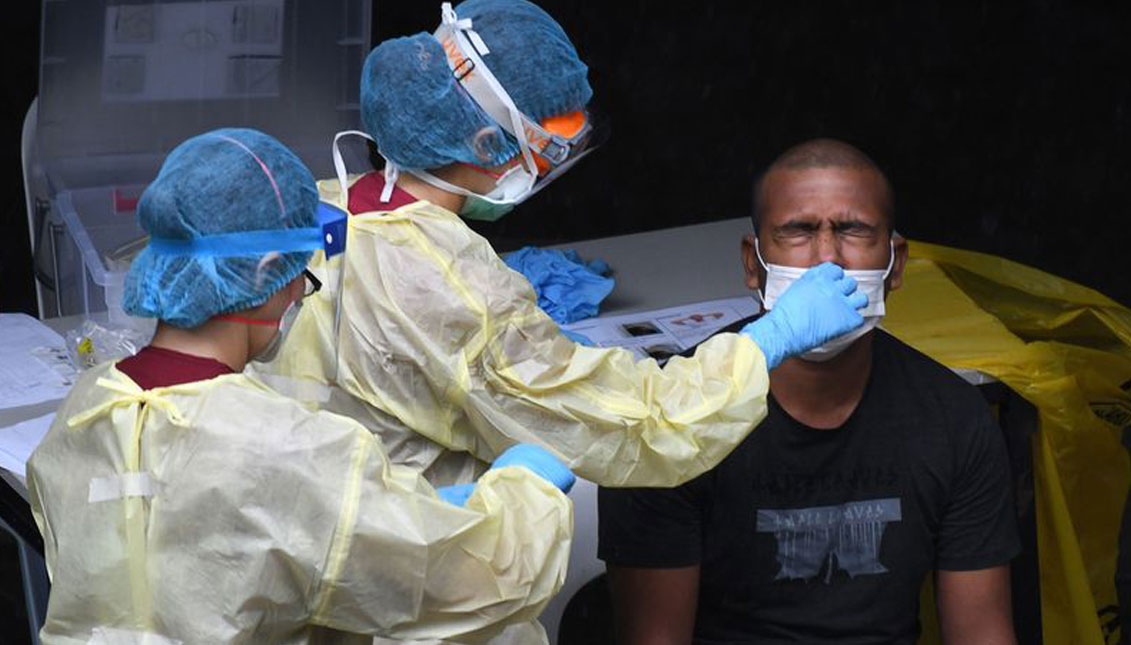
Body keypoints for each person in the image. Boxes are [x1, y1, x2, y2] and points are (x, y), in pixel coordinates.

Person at [255, 0, 869, 500]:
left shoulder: (322, 202)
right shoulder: (460, 294)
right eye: (551, 143)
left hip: (314, 513)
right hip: (410, 569)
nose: (553, 161)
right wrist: (768, 341)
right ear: (482, 139)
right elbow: (641, 426)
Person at [26, 128, 581, 644]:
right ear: (267, 274)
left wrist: (376, 509)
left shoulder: (85, 407)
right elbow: (472, 581)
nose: (299, 298)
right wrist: (522, 493)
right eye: (301, 278)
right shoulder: (291, 447)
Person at [598, 139, 1021, 644]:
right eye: (798, 231)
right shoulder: (669, 428)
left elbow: (982, 634)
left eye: (853, 230)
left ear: (896, 263)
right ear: (752, 264)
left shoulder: (955, 423)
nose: (827, 260)